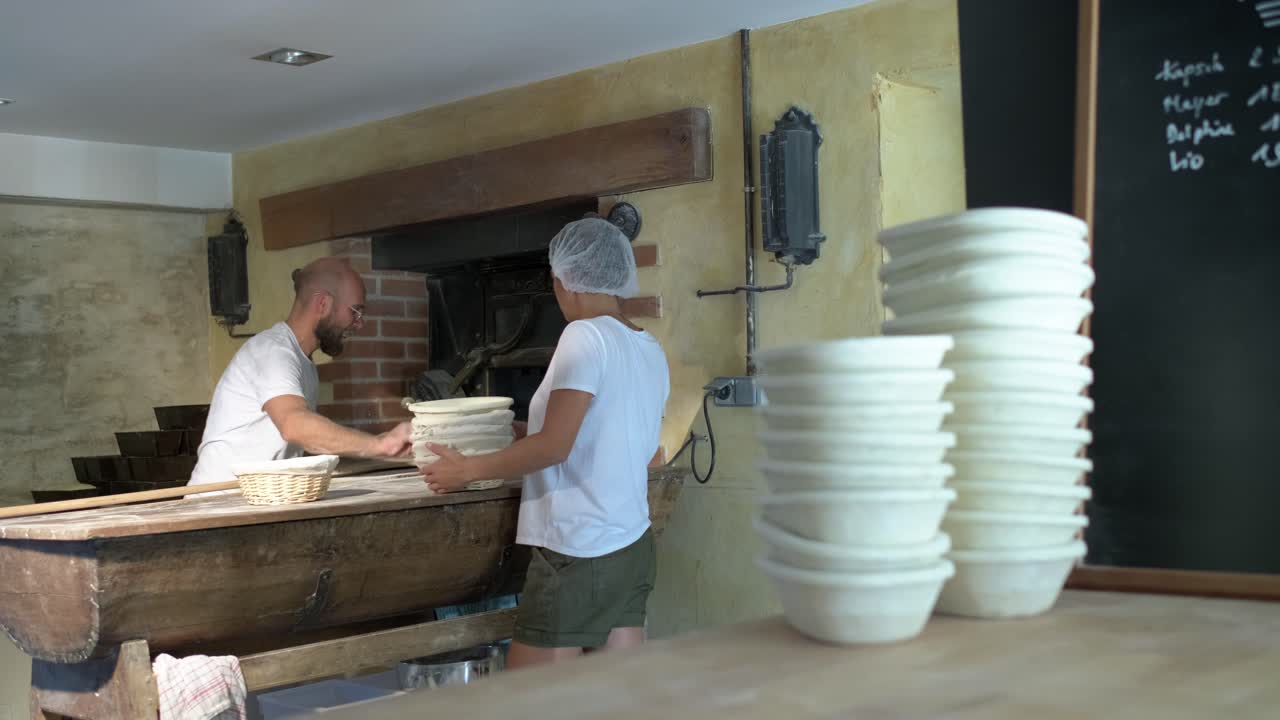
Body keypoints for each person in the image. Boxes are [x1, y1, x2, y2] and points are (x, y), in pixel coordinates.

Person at [422, 218, 669, 669]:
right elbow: (611, 432)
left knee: (531, 705)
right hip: (631, 543)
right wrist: (521, 430)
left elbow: (556, 447)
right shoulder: (647, 346)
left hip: (578, 549)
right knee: (617, 700)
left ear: (563, 281)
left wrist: (466, 470)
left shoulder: (584, 335)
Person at [188, 257, 412, 487]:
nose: (359, 323)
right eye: (355, 311)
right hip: (217, 505)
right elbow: (295, 426)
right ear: (323, 304)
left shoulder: (301, 361)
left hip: (254, 501)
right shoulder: (274, 352)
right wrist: (381, 444)